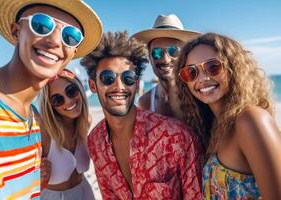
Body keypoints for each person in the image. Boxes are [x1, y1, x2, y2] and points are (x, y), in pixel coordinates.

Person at [0, 0, 102, 199]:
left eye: (70, 36)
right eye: (42, 25)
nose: (55, 41)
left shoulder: (32, 122)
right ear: (16, 30)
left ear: (73, 52)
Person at [81, 31, 203, 200]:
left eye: (128, 78)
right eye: (108, 78)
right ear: (93, 85)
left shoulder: (177, 137)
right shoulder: (95, 142)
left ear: (136, 84)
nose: (119, 86)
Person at [175, 32, 281, 199]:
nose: (202, 78)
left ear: (234, 67)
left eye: (213, 66)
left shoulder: (251, 120)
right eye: (191, 72)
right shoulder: (213, 127)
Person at [39, 69, 94, 199]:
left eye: (71, 91)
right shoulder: (44, 131)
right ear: (50, 106)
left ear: (80, 88)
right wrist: (36, 173)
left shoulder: (85, 122)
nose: (68, 101)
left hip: (85, 192)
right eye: (57, 99)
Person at [132, 14, 199, 118]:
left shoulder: (198, 95)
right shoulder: (145, 102)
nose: (165, 59)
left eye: (173, 51)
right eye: (157, 52)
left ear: (184, 55)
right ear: (149, 56)